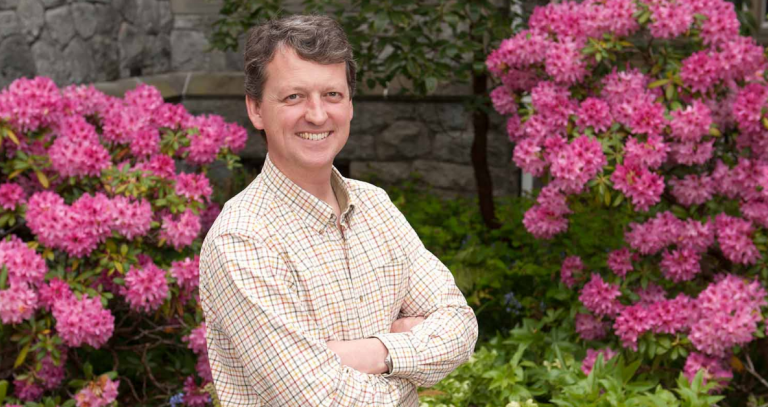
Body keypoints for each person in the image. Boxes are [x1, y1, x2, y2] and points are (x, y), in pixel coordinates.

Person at [199, 14, 478, 406]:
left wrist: (373, 353)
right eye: (294, 96)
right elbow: (318, 399)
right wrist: (407, 356)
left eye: (332, 95)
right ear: (256, 108)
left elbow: (461, 328)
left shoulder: (375, 205)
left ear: (349, 104)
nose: (317, 114)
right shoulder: (243, 239)